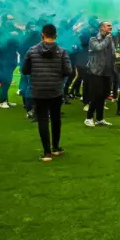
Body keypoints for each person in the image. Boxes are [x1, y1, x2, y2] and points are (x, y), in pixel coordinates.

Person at [22, 24, 73, 161]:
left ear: (42, 35)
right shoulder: (62, 52)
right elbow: (68, 71)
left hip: (38, 90)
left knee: (43, 120)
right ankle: (56, 148)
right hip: (55, 90)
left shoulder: (32, 51)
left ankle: (46, 153)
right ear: (56, 36)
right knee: (56, 119)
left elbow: (25, 70)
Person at [87, 21, 116, 127]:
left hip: (107, 70)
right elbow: (99, 48)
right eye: (108, 25)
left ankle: (100, 119)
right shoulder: (93, 40)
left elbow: (112, 53)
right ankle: (89, 117)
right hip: (96, 71)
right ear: (101, 28)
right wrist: (108, 39)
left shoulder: (110, 39)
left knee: (104, 94)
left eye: (111, 25)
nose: (111, 27)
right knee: (96, 95)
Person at [0, 19, 21, 109]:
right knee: (5, 80)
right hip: (4, 58)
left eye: (13, 19)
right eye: (9, 19)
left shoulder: (13, 30)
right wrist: (11, 35)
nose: (12, 21)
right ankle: (1, 101)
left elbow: (19, 39)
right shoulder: (1, 30)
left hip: (11, 58)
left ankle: (5, 100)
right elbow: (1, 44)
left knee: (8, 80)